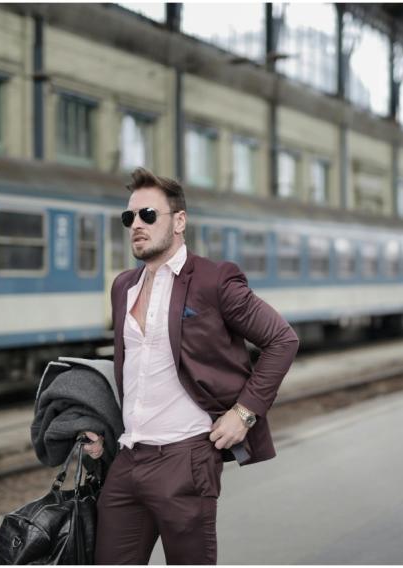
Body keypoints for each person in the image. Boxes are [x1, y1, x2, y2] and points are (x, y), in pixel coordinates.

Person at [83, 167, 299, 565]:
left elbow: (282, 340)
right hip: (128, 459)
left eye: (149, 215)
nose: (136, 225)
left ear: (179, 221)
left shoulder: (213, 280)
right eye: (129, 217)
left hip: (185, 458)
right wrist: (103, 429)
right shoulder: (123, 286)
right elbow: (134, 372)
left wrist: (244, 413)